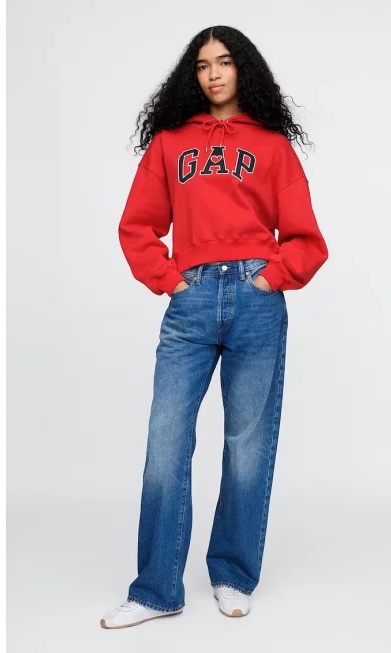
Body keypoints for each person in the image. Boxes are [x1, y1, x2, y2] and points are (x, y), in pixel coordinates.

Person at [100, 25, 328, 629]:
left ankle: (232, 574)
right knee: (166, 441)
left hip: (257, 299)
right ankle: (157, 590)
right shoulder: (171, 143)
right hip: (193, 299)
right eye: (202, 66)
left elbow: (307, 238)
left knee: (247, 445)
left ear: (242, 69)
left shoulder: (272, 146)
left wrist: (270, 279)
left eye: (224, 62)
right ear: (192, 75)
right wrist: (170, 280)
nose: (214, 74)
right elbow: (137, 225)